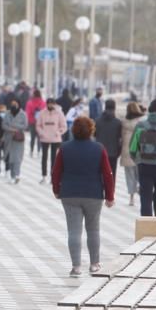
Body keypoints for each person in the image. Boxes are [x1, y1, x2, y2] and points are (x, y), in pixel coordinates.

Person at [51, 116, 115, 277]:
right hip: (93, 194)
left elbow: (56, 172)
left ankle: (76, 267)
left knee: (74, 231)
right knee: (93, 229)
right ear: (91, 130)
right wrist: (110, 195)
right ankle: (94, 264)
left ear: (73, 130)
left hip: (70, 194)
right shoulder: (99, 148)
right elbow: (107, 174)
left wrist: (56, 190)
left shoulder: (64, 148)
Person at [36, 98, 67, 182]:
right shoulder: (42, 113)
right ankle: (44, 176)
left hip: (55, 139)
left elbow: (64, 126)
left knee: (54, 158)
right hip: (44, 138)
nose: (50, 105)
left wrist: (58, 132)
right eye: (49, 104)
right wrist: (41, 133)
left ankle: (53, 176)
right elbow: (38, 125)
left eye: (52, 104)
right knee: (44, 157)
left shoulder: (59, 113)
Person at [120, 101, 145, 206]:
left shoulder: (124, 122)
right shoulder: (142, 122)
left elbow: (121, 137)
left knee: (129, 176)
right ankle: (142, 191)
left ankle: (131, 198)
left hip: (127, 152)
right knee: (141, 175)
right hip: (140, 151)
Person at [94, 99, 122, 186]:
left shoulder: (97, 121)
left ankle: (100, 190)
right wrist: (118, 152)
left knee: (100, 172)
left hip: (99, 151)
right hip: (113, 152)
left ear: (104, 107)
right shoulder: (118, 122)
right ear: (114, 108)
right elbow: (120, 139)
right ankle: (110, 194)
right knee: (111, 173)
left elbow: (95, 135)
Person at [2, 100, 28, 183]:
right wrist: (11, 129)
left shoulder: (23, 114)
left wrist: (14, 128)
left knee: (17, 157)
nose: (14, 105)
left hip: (18, 138)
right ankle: (12, 175)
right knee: (9, 157)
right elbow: (3, 125)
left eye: (15, 104)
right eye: (12, 104)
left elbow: (25, 126)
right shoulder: (7, 113)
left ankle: (17, 174)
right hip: (8, 138)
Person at [25, 89, 47, 157]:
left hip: (32, 122)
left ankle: (31, 151)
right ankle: (38, 151)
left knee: (32, 137)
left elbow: (27, 113)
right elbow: (45, 113)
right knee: (39, 137)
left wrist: (29, 120)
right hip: (40, 123)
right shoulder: (43, 102)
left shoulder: (29, 102)